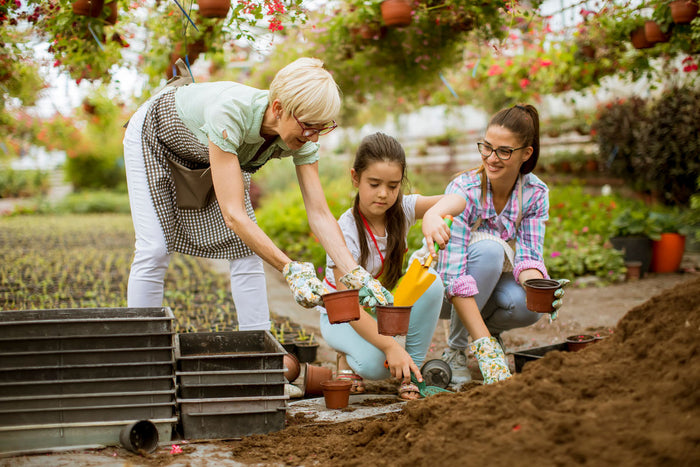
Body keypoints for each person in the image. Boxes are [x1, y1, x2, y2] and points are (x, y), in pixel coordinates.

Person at [122, 57, 391, 331]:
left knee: (245, 250)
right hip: (153, 136)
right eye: (309, 126)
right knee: (154, 248)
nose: (314, 138)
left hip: (205, 153)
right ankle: (144, 344)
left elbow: (320, 213)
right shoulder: (231, 114)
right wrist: (290, 268)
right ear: (278, 108)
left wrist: (353, 271)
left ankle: (259, 344)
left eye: (323, 127)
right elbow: (234, 215)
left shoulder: (303, 138)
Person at [319, 132, 466, 399]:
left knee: (430, 281)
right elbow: (347, 306)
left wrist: (433, 215)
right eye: (374, 184)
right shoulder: (345, 230)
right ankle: (346, 358)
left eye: (393, 186)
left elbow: (458, 200)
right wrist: (390, 347)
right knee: (376, 367)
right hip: (342, 316)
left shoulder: (404, 209)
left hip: (381, 309)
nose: (384, 194)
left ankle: (412, 370)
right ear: (355, 178)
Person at [437, 104, 568, 385]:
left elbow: (529, 255)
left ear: (526, 153)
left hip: (488, 287)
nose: (491, 158)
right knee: (490, 250)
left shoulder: (535, 193)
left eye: (504, 151)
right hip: (444, 291)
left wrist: (540, 288)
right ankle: (456, 350)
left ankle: (486, 331)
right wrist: (485, 348)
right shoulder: (465, 190)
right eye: (486, 147)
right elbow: (452, 273)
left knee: (526, 305)